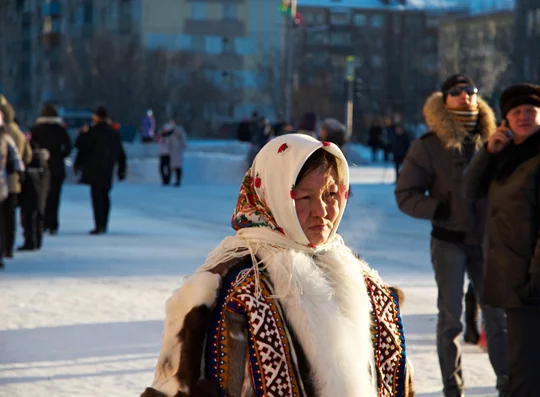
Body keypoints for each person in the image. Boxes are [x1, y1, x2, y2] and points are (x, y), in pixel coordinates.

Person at [140, 134, 414, 397]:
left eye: (331, 194)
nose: (322, 211)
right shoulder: (234, 289)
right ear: (272, 196)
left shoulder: (365, 283)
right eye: (304, 198)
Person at [463, 83, 540, 397]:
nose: (523, 117)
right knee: (538, 366)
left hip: (532, 277)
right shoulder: (509, 155)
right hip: (509, 274)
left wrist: (539, 277)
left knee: (523, 371)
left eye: (530, 111)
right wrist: (488, 153)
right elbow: (470, 190)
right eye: (516, 112)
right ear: (506, 121)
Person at [395, 74, 507, 397]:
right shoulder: (429, 145)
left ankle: (508, 384)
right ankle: (453, 387)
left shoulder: (496, 141)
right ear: (444, 100)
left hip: (488, 242)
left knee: (497, 317)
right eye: (455, 92)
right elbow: (405, 194)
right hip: (449, 241)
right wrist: (437, 208)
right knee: (451, 319)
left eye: (470, 91)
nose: (464, 96)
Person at [74, 106, 127, 235]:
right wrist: (121, 169)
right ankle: (104, 223)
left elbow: (81, 147)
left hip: (93, 168)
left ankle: (98, 224)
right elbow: (120, 152)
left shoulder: (92, 131)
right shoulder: (113, 132)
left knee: (96, 196)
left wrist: (78, 164)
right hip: (108, 167)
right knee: (105, 195)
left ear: (97, 117)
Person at [28, 103, 72, 235]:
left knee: (41, 197)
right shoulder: (60, 129)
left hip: (41, 167)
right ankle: (53, 224)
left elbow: (30, 146)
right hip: (57, 167)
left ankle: (42, 223)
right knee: (55, 197)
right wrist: (60, 156)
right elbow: (68, 147)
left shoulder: (36, 129)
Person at [0, 95, 31, 257]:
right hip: (12, 182)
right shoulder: (17, 132)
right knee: (9, 217)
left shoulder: (4, 133)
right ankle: (8, 247)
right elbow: (26, 157)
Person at [18, 141, 49, 251]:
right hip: (41, 196)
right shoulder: (44, 166)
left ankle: (30, 242)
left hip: (28, 196)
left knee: (28, 219)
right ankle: (38, 241)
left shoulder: (29, 166)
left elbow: (23, 180)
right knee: (39, 218)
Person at [168, 121, 187, 187]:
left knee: (178, 168)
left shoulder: (182, 137)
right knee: (174, 168)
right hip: (173, 153)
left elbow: (184, 146)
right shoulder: (172, 136)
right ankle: (174, 181)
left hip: (178, 154)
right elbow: (169, 144)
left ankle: (178, 181)